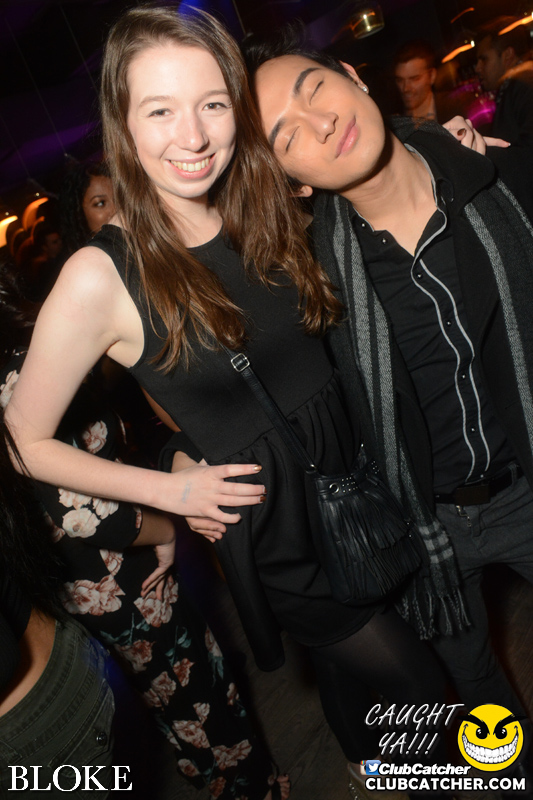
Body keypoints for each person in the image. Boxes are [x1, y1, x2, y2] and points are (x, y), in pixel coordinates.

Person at [4, 5, 450, 795]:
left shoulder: (264, 199)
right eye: (159, 111)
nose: (193, 135)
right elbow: (24, 442)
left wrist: (450, 149)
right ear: (122, 125)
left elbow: (371, 170)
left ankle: (372, 770)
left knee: (353, 675)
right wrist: (169, 493)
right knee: (433, 696)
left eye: (211, 103)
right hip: (276, 524)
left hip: (362, 474)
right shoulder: (99, 276)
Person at [246, 30, 533, 752]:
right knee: (476, 687)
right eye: (286, 134)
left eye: (314, 89)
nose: (318, 124)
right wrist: (185, 456)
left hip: (526, 484)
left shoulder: (498, 182)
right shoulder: (310, 285)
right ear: (292, 181)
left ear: (352, 76)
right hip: (426, 526)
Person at [0, 263, 284, 800]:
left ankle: (227, 778)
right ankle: (252, 787)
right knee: (193, 688)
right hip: (121, 573)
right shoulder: (19, 373)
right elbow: (86, 515)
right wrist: (164, 529)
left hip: (81, 582)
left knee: (170, 694)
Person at [0, 284, 116, 797]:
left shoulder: (23, 363)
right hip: (77, 599)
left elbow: (81, 512)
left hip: (42, 712)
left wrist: (165, 520)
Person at [475, 16, 533, 146]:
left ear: (508, 55)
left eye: (484, 59)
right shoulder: (512, 87)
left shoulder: (524, 86)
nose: (477, 68)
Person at [59, 161, 116, 262]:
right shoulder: (85, 264)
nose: (116, 209)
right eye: (100, 203)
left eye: (119, 199)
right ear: (79, 214)